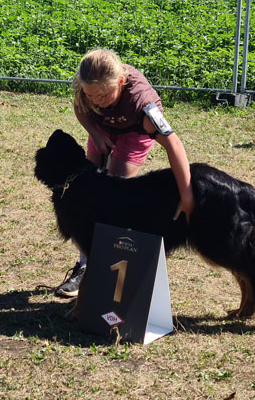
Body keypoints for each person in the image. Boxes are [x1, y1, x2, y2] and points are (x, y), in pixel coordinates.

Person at [55, 48, 195, 297]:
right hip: (102, 130)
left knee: (112, 199)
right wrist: (96, 135)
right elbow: (80, 107)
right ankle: (84, 266)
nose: (97, 100)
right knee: (88, 196)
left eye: (104, 94)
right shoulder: (86, 85)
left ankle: (108, 269)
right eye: (91, 95)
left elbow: (174, 144)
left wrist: (186, 196)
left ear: (120, 81)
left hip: (134, 133)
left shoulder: (143, 104)